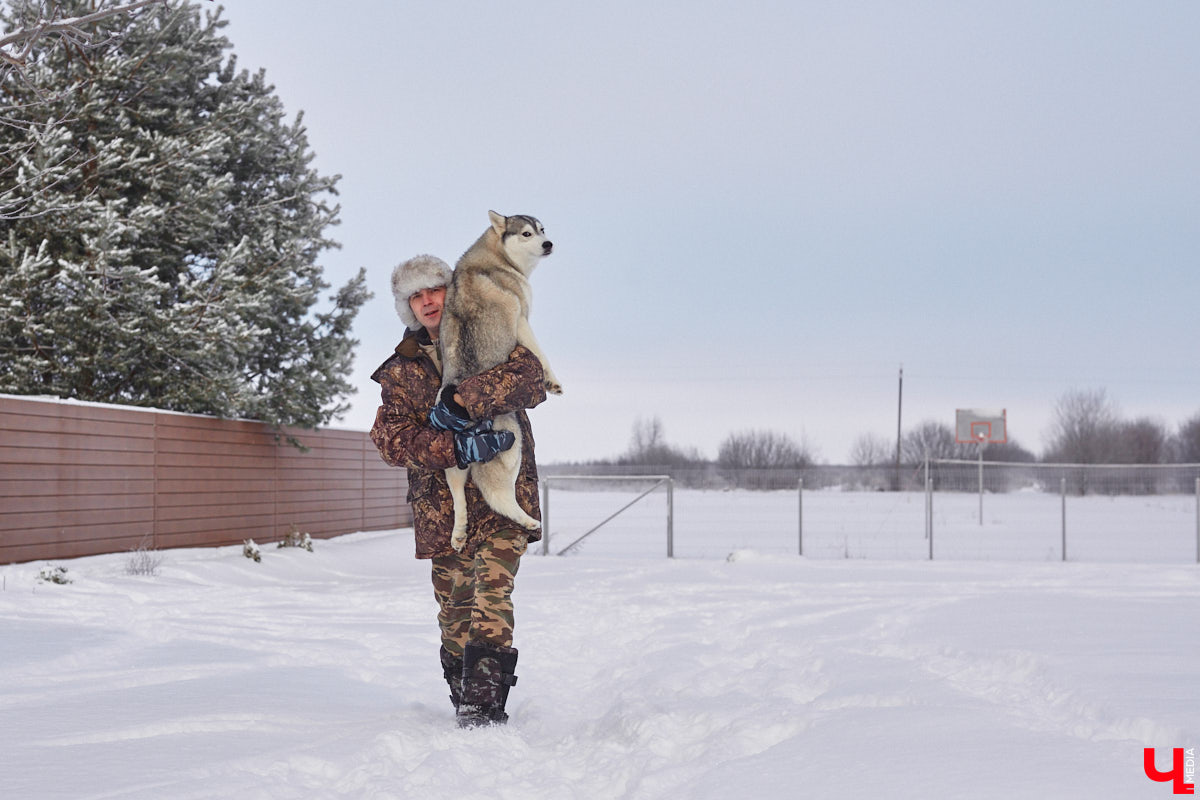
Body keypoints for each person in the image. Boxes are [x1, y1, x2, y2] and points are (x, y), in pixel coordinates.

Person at [368, 254, 547, 728]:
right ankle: (462, 693)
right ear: (408, 306)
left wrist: (461, 399)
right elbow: (390, 439)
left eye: (435, 290)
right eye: (416, 296)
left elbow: (531, 377)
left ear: (453, 291)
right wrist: (453, 444)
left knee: (492, 596)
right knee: (455, 615)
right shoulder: (400, 372)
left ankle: (482, 712)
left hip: (503, 500)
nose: (428, 301)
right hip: (443, 512)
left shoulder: (489, 333)